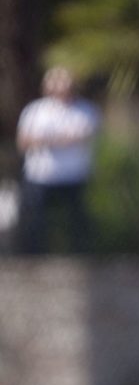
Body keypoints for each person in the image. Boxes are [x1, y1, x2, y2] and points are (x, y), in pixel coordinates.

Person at [16, 66, 101, 254]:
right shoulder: (35, 110)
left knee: (76, 222)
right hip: (40, 175)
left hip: (73, 175)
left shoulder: (85, 110)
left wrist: (45, 140)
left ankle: (80, 258)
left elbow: (84, 136)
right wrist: (58, 140)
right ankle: (33, 258)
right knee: (35, 221)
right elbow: (23, 141)